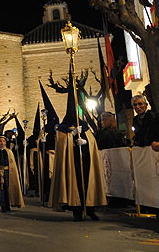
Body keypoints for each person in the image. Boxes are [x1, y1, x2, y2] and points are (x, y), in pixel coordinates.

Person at [49, 73, 106, 221]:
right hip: (72, 163)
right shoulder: (63, 129)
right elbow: (62, 146)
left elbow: (92, 143)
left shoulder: (85, 127)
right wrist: (72, 136)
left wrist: (85, 140)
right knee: (74, 185)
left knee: (89, 183)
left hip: (86, 159)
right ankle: (77, 211)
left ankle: (91, 209)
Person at [0, 135, 24, 212]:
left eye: (3, 141)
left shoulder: (9, 151)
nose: (2, 143)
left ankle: (9, 204)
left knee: (8, 188)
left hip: (8, 172)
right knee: (1, 189)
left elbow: (11, 163)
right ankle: (2, 205)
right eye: (0, 141)